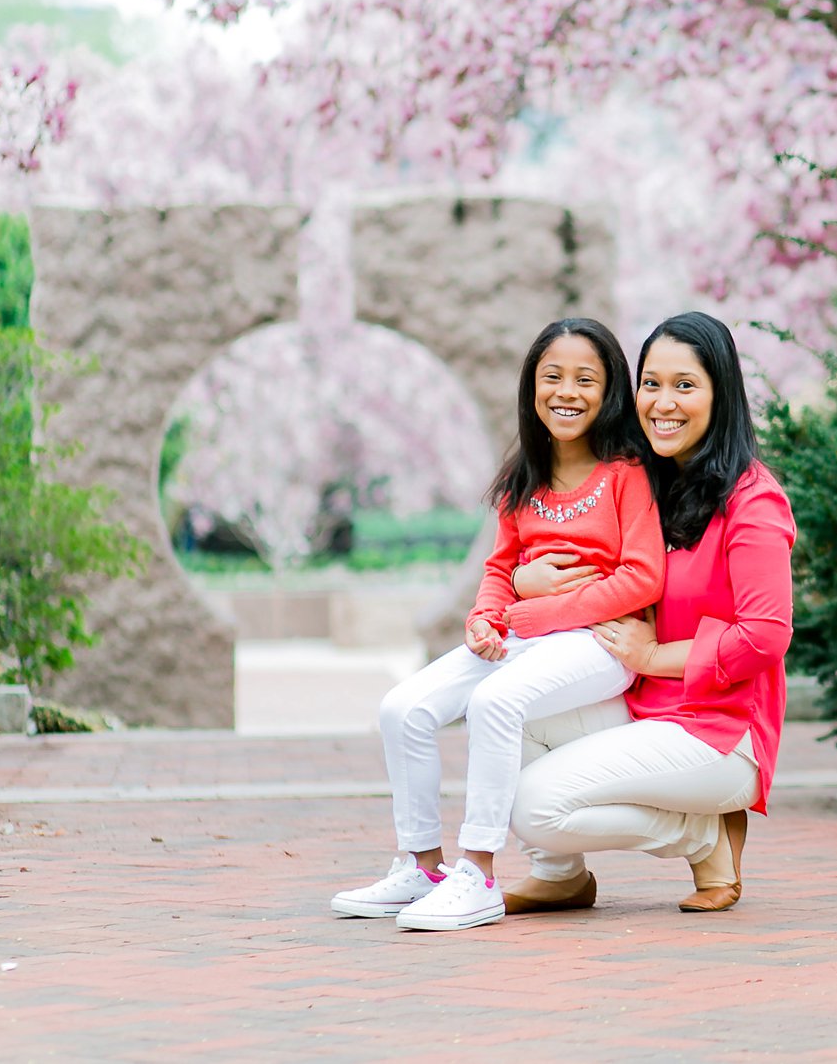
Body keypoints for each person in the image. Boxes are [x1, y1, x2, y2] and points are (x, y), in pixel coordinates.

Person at [331, 318, 665, 931]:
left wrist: (531, 612)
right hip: (522, 635)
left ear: (609, 390)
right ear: (531, 388)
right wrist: (485, 619)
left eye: (585, 379)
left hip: (600, 644)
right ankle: (422, 866)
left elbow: (642, 579)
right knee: (403, 708)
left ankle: (478, 873)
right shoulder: (523, 477)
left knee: (494, 702)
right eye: (553, 376)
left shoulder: (627, 473)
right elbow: (500, 568)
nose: (567, 391)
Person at [502, 310, 794, 915]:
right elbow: (583, 561)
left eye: (685, 385)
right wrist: (522, 580)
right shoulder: (649, 484)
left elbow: (766, 635)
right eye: (651, 383)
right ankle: (559, 876)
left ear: (723, 395)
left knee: (532, 807)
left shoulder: (751, 499)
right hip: (644, 708)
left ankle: (704, 836)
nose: (663, 402)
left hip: (720, 733)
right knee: (514, 711)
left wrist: (655, 654)